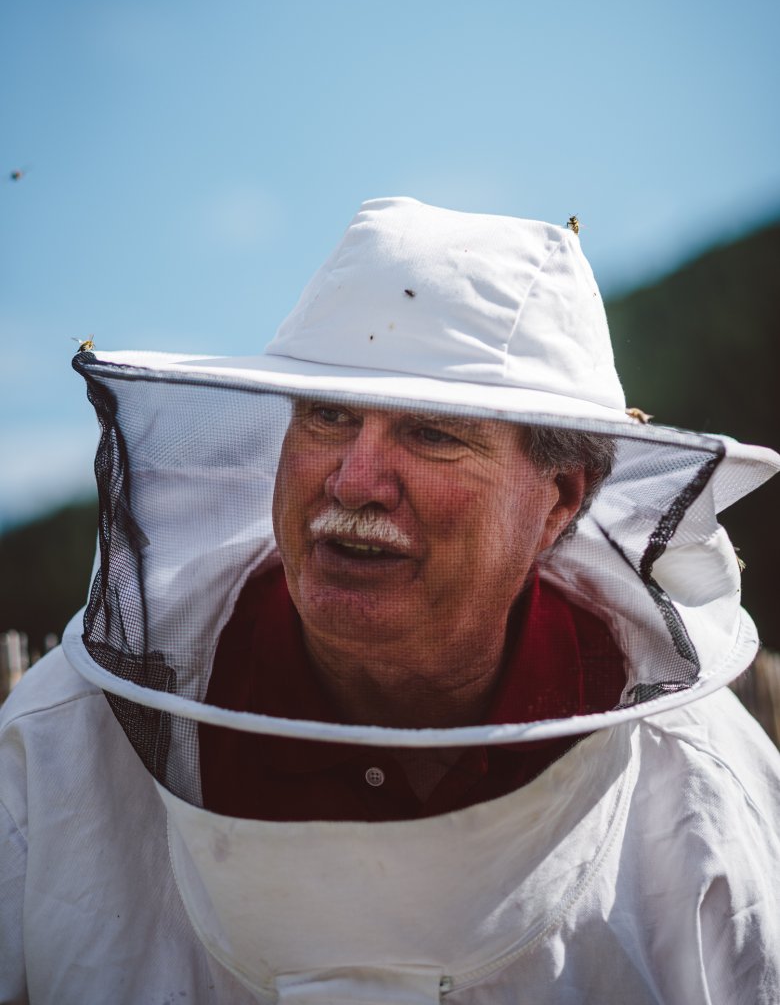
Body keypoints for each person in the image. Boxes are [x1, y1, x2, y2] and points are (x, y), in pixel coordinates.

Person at [1, 195, 779, 1004]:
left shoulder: (697, 785)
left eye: (433, 433)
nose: (354, 482)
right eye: (328, 417)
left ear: (557, 504)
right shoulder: (63, 746)